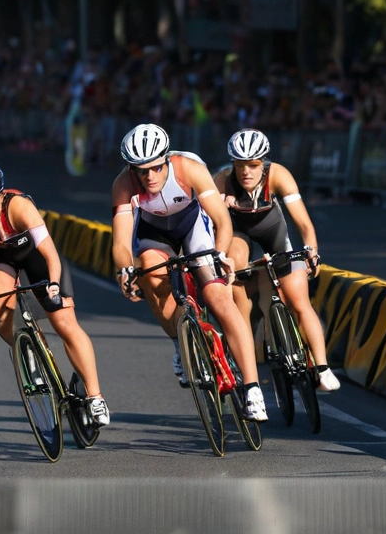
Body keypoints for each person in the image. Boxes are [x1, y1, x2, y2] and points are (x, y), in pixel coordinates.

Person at [111, 123, 268, 421]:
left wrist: (220, 255)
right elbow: (120, 242)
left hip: (193, 228)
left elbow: (222, 221)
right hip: (153, 235)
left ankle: (252, 388)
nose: (149, 176)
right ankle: (177, 343)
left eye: (155, 168)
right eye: (141, 170)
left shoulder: (189, 168)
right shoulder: (123, 184)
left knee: (219, 297)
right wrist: (125, 269)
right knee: (147, 272)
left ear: (166, 160)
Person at [0, 161, 110, 427]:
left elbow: (50, 253)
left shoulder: (20, 207)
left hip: (36, 259)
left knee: (64, 323)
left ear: (0, 196)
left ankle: (95, 396)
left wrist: (54, 285)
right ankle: (31, 354)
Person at [215, 128, 340, 392]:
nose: (246, 171)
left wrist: (311, 251)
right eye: (240, 165)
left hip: (274, 235)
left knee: (298, 300)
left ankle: (322, 367)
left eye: (253, 165)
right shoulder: (222, 180)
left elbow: (304, 223)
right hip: (239, 236)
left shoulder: (279, 175)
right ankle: (242, 341)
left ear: (265, 163)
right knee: (235, 262)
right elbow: (209, 226)